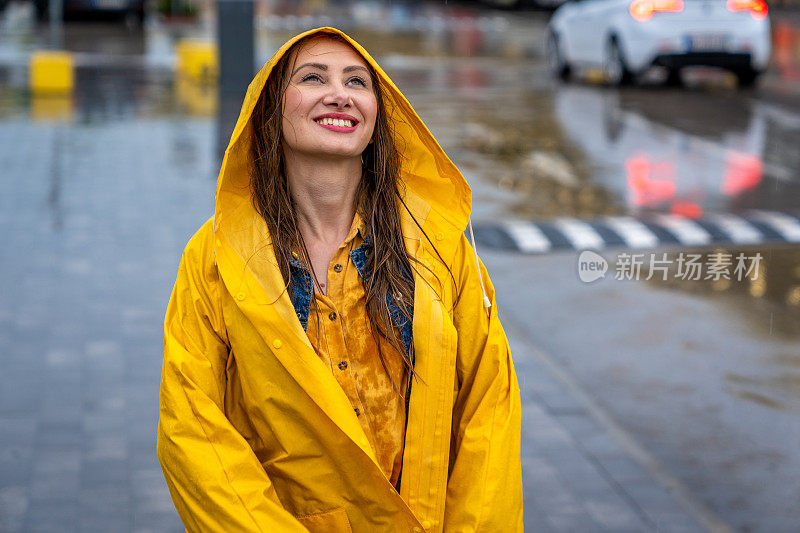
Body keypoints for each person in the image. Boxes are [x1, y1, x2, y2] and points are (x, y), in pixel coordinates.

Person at [156, 26, 523, 532]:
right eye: (313, 77)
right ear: (271, 109)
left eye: (357, 82)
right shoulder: (216, 256)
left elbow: (489, 407)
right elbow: (191, 428)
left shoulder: (438, 243)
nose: (339, 94)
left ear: (378, 114)